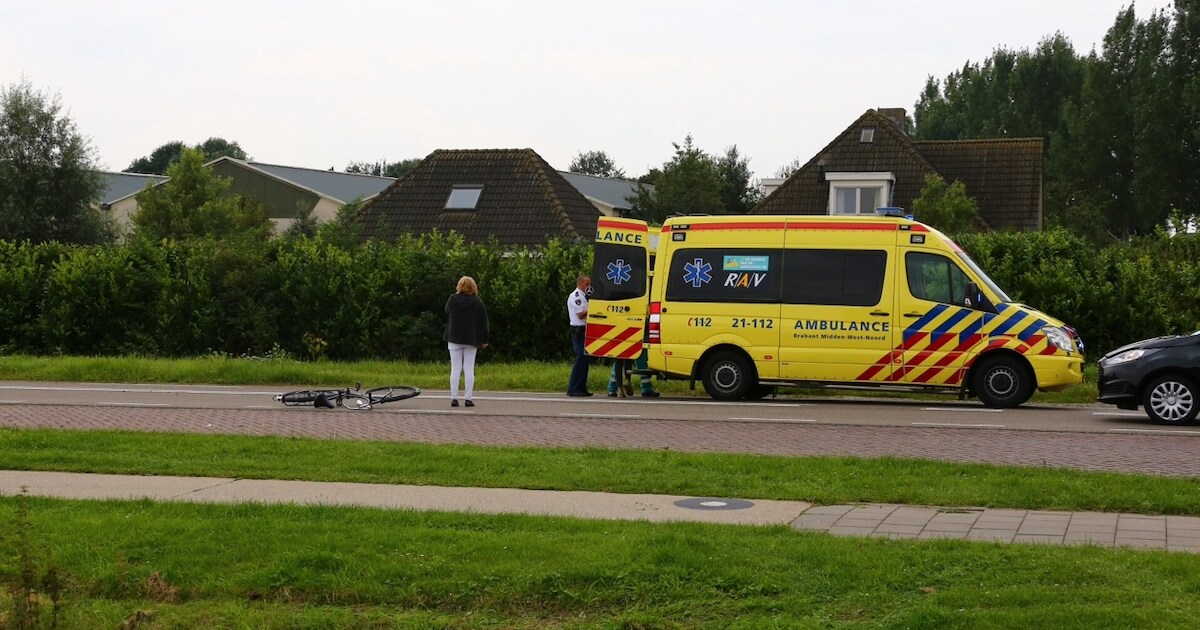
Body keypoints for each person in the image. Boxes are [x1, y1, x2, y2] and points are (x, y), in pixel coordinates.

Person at [444, 275, 489, 408]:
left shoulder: (452, 299)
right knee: (469, 368)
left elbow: (446, 310)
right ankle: (468, 398)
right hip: (472, 339)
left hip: (454, 338)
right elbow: (484, 322)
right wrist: (485, 339)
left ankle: (454, 398)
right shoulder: (477, 301)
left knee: (455, 368)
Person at [566, 274, 593, 396]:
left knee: (585, 359)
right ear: (580, 284)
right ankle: (573, 388)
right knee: (580, 358)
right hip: (578, 330)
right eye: (586, 284)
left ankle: (581, 387)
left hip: (584, 329)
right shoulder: (576, 296)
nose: (589, 286)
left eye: (589, 284)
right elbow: (580, 314)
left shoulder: (584, 296)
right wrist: (594, 308)